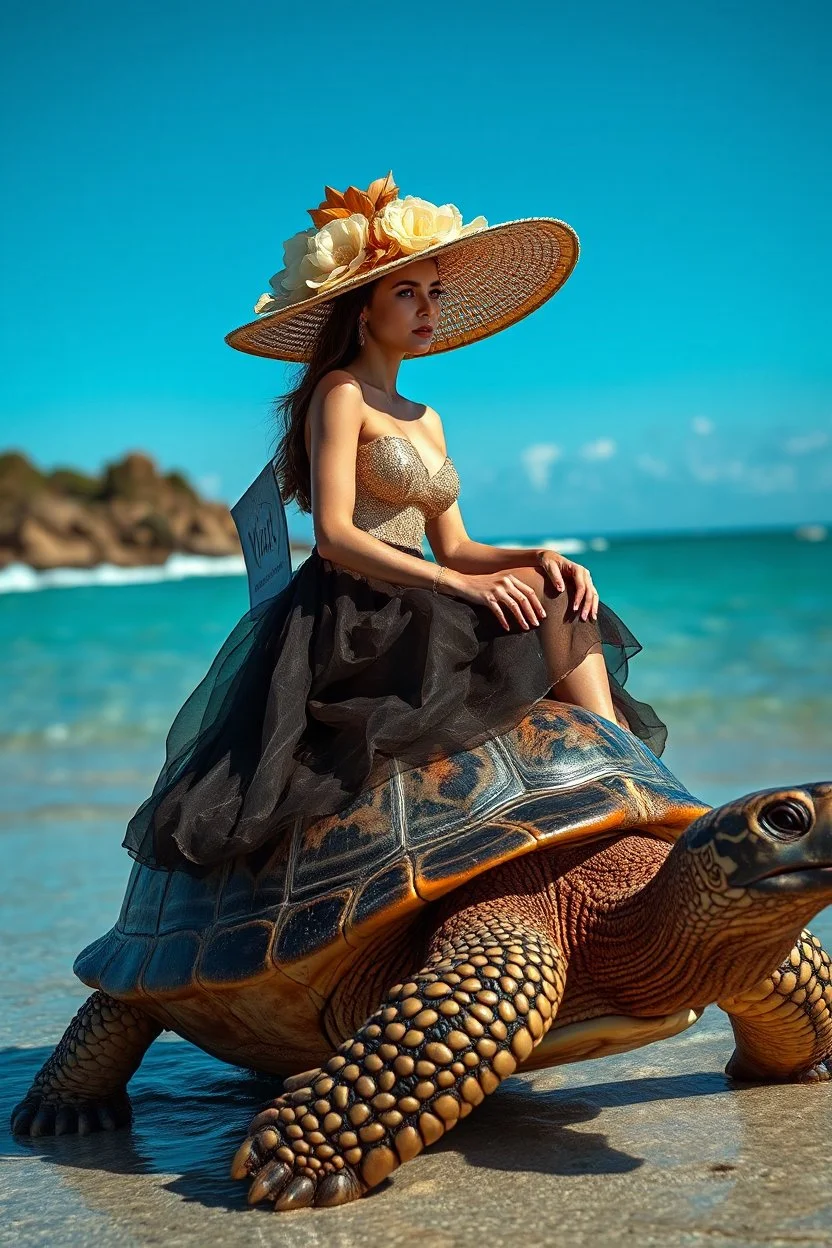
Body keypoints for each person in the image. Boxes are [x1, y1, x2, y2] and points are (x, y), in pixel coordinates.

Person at [123, 170, 667, 872]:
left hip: (426, 591)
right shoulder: (340, 393)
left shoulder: (429, 417)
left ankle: (622, 780)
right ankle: (623, 793)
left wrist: (539, 556)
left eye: (433, 292)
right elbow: (335, 536)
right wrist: (460, 589)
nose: (426, 308)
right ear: (361, 310)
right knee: (519, 628)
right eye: (406, 292)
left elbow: (460, 546)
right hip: (356, 612)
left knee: (563, 596)